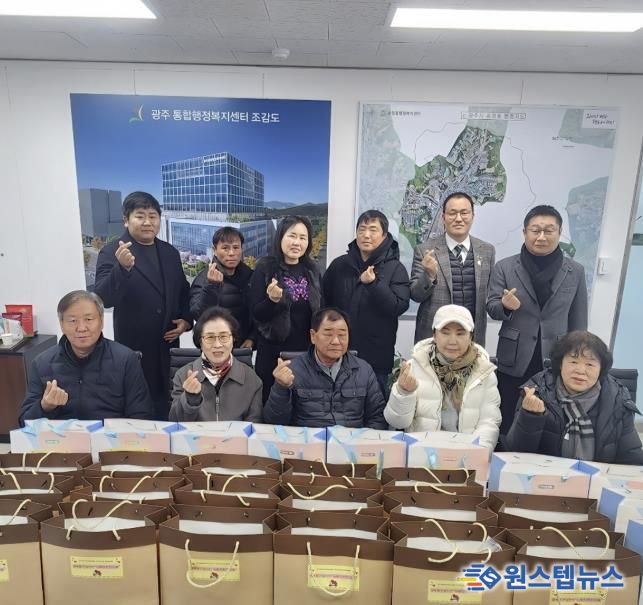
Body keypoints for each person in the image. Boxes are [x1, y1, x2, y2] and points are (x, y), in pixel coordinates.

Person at [487, 205, 588, 434]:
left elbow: (579, 321)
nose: (541, 236)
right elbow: (491, 308)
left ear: (559, 233)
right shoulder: (505, 266)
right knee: (507, 418)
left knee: (551, 421)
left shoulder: (575, 271)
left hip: (555, 356)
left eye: (548, 230)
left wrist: (576, 359)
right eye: (535, 230)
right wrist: (505, 306)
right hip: (514, 358)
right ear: (525, 232)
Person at [94, 191, 192, 420]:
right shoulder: (112, 251)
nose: (148, 222)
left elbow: (183, 291)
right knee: (138, 406)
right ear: (126, 220)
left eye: (153, 216)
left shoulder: (169, 252)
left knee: (168, 403)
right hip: (134, 348)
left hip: (168, 345)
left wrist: (187, 320)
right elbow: (103, 298)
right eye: (140, 216)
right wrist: (122, 269)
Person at [505, 331, 643, 464]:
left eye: (590, 364)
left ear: (601, 369)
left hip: (598, 478)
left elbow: (631, 459)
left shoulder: (617, 400)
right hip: (544, 477)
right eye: (573, 362)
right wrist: (531, 416)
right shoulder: (537, 392)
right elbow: (515, 453)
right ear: (560, 363)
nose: (581, 371)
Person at [19, 291, 153, 424]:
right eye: (73, 321)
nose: (81, 328)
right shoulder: (42, 363)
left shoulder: (126, 360)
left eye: (88, 319)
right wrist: (45, 407)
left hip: (111, 436)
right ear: (62, 325)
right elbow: (24, 422)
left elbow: (141, 416)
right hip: (62, 436)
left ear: (101, 321)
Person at [384, 304, 501, 451]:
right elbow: (397, 422)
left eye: (460, 334)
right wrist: (404, 392)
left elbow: (489, 422)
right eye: (445, 333)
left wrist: (475, 453)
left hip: (466, 455)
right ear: (434, 335)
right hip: (422, 453)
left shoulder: (484, 372)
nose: (452, 341)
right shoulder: (414, 367)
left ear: (470, 336)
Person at [322, 210, 410, 396]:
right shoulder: (339, 265)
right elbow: (324, 304)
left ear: (384, 235)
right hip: (338, 354)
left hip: (376, 358)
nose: (366, 235)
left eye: (373, 230)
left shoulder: (395, 268)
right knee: (336, 406)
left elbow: (398, 306)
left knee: (374, 407)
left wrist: (374, 284)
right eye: (362, 229)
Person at [263, 308, 387, 428]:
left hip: (352, 440)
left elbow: (377, 418)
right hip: (308, 440)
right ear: (313, 336)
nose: (336, 341)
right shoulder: (292, 370)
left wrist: (364, 440)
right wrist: (281, 387)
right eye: (328, 334)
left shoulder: (363, 370)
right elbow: (274, 422)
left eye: (342, 335)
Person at [248, 215, 323, 402]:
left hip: (306, 354)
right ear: (280, 237)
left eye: (303, 237)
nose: (297, 242)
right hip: (273, 353)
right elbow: (256, 313)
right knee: (272, 403)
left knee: (303, 403)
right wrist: (272, 300)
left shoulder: (312, 270)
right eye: (292, 236)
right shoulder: (265, 268)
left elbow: (321, 310)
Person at [410, 192, 495, 346]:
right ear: (443, 217)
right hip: (435, 338)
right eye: (452, 213)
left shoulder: (487, 251)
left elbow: (489, 296)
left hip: (472, 338)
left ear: (472, 216)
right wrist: (429, 275)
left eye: (464, 213)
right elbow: (415, 295)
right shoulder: (425, 250)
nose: (458, 218)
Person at [169, 307, 262, 422]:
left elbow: (254, 426)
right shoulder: (183, 375)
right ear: (200, 342)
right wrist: (190, 399)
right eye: (210, 337)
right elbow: (175, 422)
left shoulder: (252, 379)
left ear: (233, 339)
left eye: (224, 337)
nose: (217, 345)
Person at [189, 226, 254, 348]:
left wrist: (252, 337)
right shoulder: (205, 278)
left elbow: (257, 310)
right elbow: (197, 314)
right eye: (225, 248)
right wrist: (211, 286)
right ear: (215, 250)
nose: (231, 253)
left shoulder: (249, 275)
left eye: (236, 247)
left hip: (243, 346)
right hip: (215, 346)